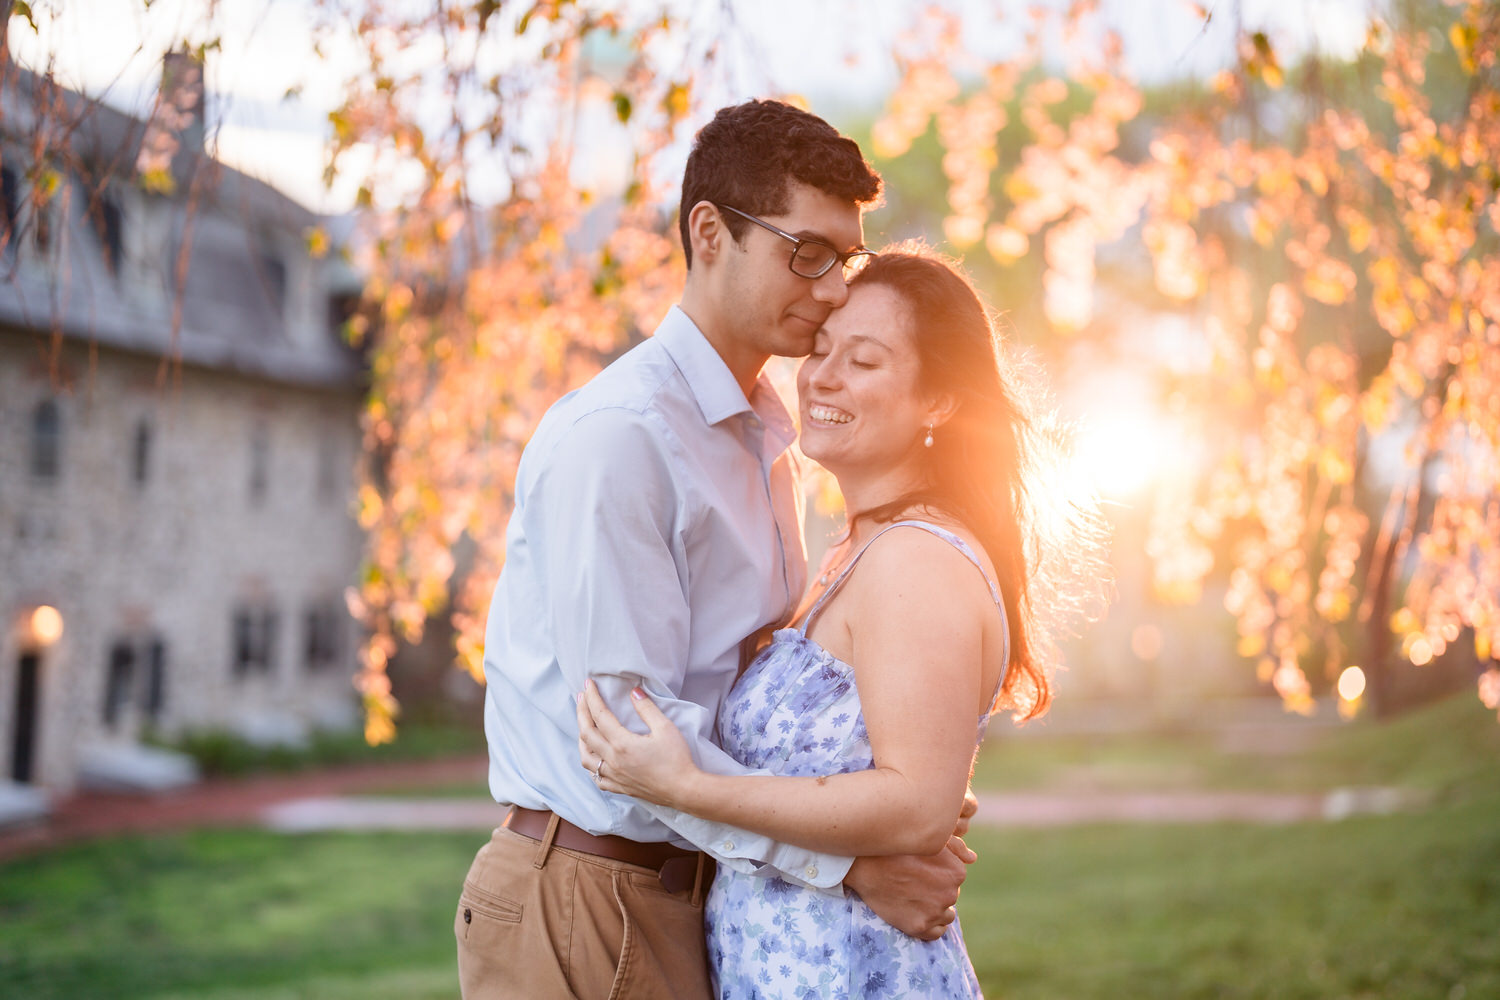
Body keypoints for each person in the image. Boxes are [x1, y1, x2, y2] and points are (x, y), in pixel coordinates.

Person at [456, 102, 977, 1000]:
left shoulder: (767, 444)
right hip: (586, 889)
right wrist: (851, 863)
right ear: (709, 234)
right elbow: (630, 741)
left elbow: (748, 692)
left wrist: (883, 783)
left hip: (697, 890)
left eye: (845, 260)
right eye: (807, 252)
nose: (832, 289)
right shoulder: (623, 438)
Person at [578, 245, 1105, 998]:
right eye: (821, 349)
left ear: (939, 400)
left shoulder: (916, 558)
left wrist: (687, 785)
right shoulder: (853, 551)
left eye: (863, 361)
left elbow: (916, 807)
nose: (822, 376)